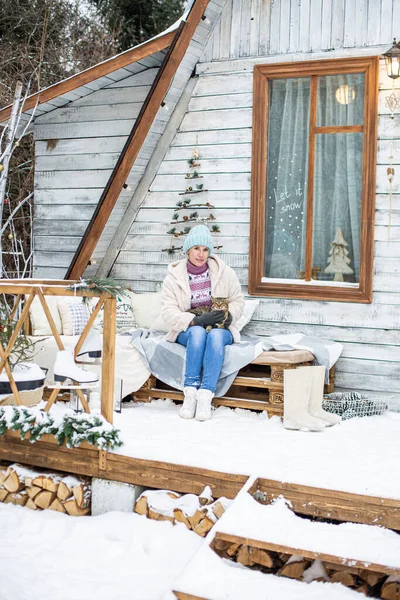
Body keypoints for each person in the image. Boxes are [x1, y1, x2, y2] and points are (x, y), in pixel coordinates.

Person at [160, 225, 244, 421]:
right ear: (188, 250)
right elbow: (168, 312)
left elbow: (238, 300)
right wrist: (195, 320)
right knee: (198, 333)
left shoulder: (225, 273)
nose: (201, 254)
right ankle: (190, 394)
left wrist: (230, 315)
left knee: (214, 336)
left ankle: (205, 395)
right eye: (197, 249)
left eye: (205, 249)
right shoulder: (173, 278)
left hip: (219, 327)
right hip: (188, 328)